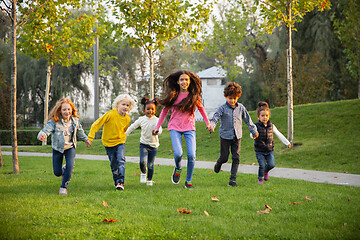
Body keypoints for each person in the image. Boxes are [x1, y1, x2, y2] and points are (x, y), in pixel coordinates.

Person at [153, 70, 213, 189]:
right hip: (175, 127)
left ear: (190, 82)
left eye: (186, 80)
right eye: (182, 79)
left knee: (191, 155)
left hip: (189, 127)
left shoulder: (193, 96)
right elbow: (164, 111)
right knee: (178, 153)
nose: (184, 82)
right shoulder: (173, 95)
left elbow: (201, 109)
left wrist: (208, 123)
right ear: (177, 81)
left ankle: (188, 181)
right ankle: (178, 168)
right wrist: (157, 126)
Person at [37, 98, 91, 195]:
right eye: (64, 109)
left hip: (70, 147)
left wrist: (86, 139)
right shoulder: (54, 122)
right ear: (60, 111)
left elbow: (80, 132)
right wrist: (42, 135)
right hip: (58, 148)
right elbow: (46, 130)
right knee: (57, 172)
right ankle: (63, 170)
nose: (67, 112)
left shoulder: (75, 121)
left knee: (70, 166)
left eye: (69, 109)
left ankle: (63, 187)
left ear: (72, 110)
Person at [209, 82, 259, 187]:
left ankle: (232, 180)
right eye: (230, 98)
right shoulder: (222, 108)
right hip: (225, 137)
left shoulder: (241, 108)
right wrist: (212, 126)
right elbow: (215, 118)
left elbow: (248, 120)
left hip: (237, 137)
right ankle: (218, 164)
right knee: (224, 157)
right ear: (226, 97)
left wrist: (253, 130)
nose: (232, 100)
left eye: (235, 98)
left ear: (238, 97)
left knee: (236, 158)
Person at [87, 94, 136, 191]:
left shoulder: (127, 118)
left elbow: (124, 129)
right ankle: (116, 181)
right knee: (114, 164)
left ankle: (121, 182)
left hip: (120, 142)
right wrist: (90, 137)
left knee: (121, 160)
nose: (125, 107)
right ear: (117, 104)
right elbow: (96, 124)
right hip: (108, 143)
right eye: (123, 104)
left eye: (127, 105)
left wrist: (123, 137)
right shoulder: (110, 114)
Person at [251, 101, 291, 184]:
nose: (265, 117)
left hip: (269, 150)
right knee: (262, 165)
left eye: (266, 115)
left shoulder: (271, 126)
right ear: (258, 117)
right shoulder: (256, 126)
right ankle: (260, 179)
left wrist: (287, 143)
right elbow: (251, 134)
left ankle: (265, 172)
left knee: (271, 165)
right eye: (262, 116)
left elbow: (278, 134)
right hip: (260, 150)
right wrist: (254, 135)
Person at [125, 97, 162, 186]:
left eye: (152, 109)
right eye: (148, 109)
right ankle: (143, 173)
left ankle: (149, 180)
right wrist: (126, 134)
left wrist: (157, 132)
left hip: (154, 146)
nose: (150, 111)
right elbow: (133, 126)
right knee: (142, 162)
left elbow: (160, 129)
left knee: (150, 164)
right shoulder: (141, 119)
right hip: (144, 144)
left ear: (155, 110)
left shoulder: (157, 120)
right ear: (144, 110)